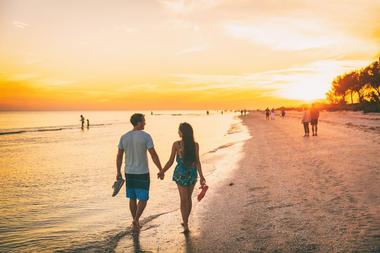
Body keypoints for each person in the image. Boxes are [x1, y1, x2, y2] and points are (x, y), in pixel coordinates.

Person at [116, 113, 163, 230]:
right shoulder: (146, 136)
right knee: (143, 198)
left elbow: (119, 157)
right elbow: (153, 155)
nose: (145, 123)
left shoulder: (124, 137)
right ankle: (136, 220)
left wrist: (118, 171)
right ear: (138, 123)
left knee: (132, 197)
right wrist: (160, 169)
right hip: (142, 172)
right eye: (143, 121)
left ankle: (135, 221)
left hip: (129, 172)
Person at [158, 123, 206, 233]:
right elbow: (197, 161)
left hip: (180, 174)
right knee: (188, 199)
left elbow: (170, 161)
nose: (178, 132)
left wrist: (162, 171)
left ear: (182, 132)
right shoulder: (195, 145)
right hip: (192, 173)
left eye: (179, 130)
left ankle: (185, 224)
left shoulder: (176, 144)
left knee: (183, 200)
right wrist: (202, 176)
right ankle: (186, 222)